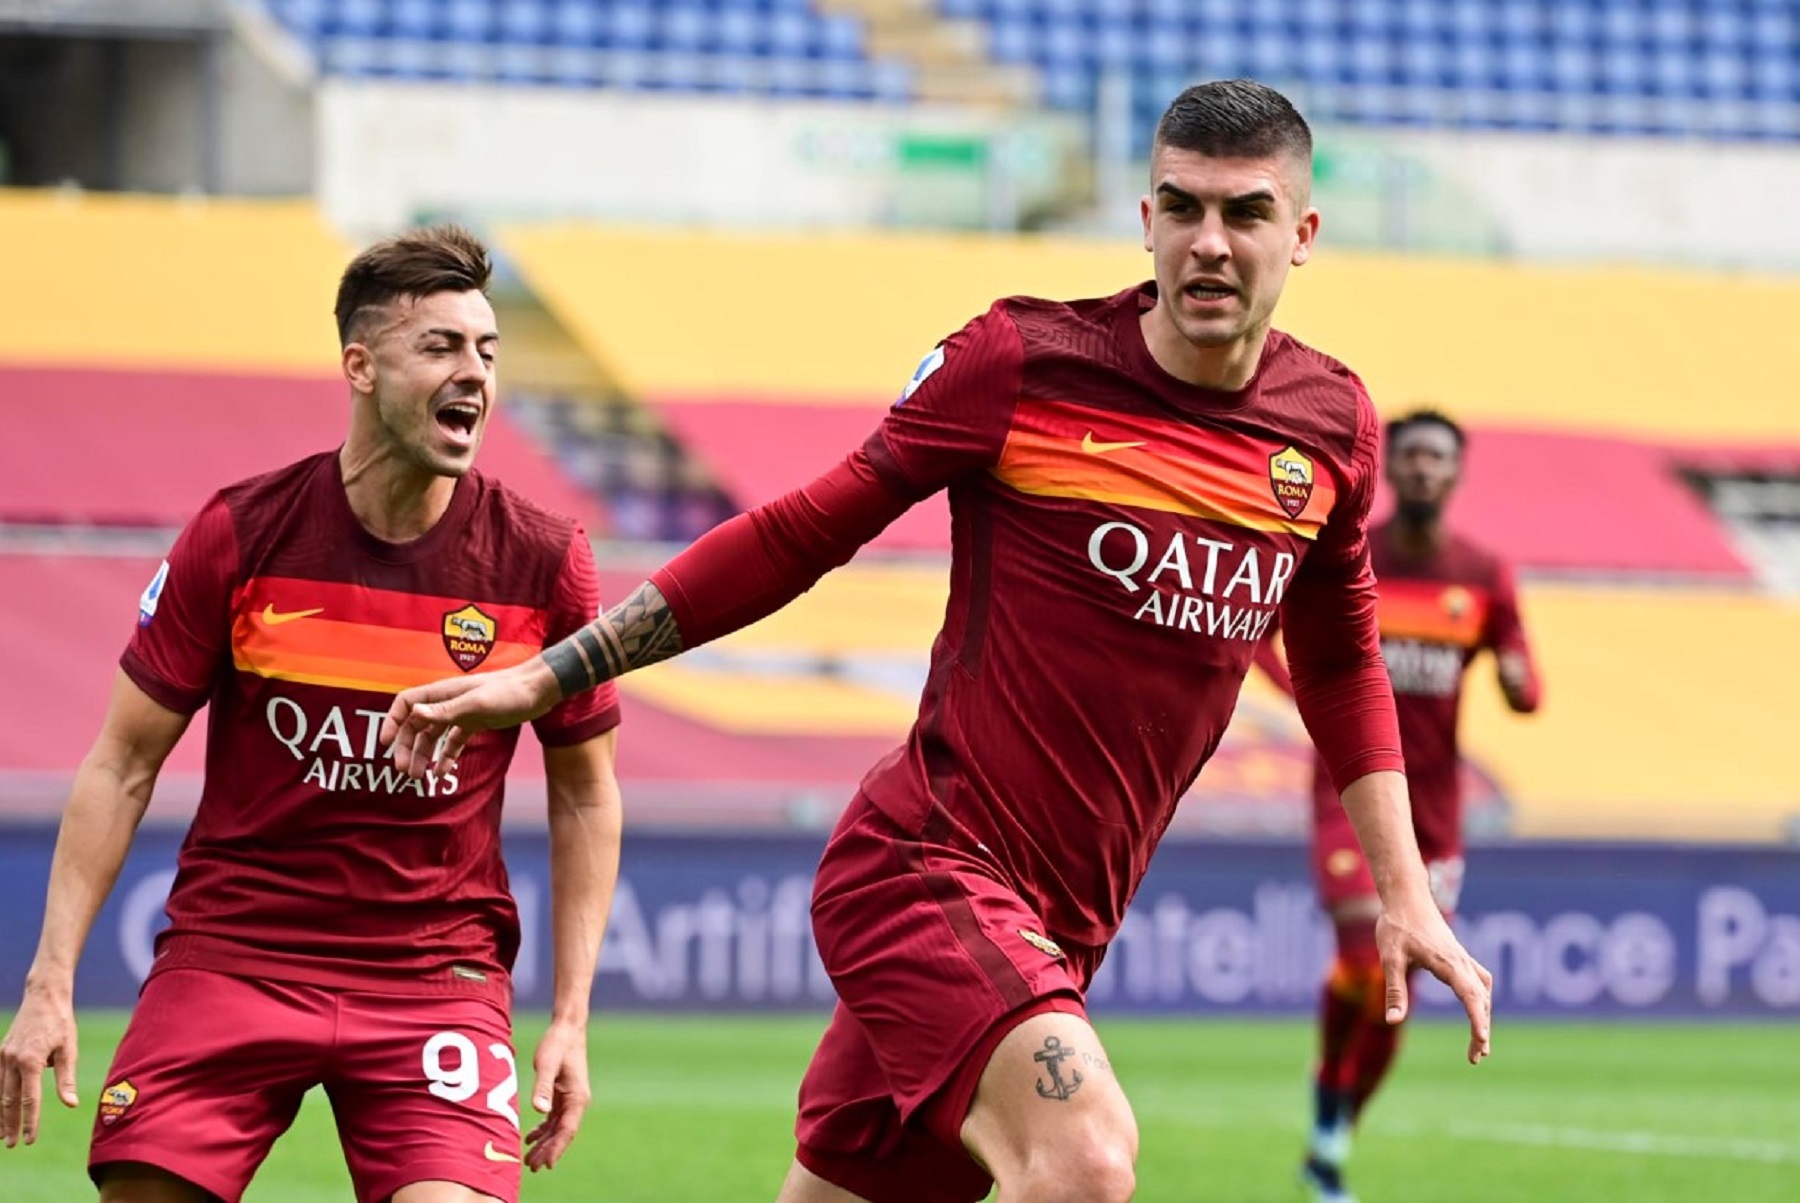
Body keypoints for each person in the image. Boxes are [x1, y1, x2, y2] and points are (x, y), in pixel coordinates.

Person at [380, 81, 1494, 1203]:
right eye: (1182, 207)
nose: (1209, 242)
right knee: (1085, 1160)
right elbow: (802, 531)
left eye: (1246, 213)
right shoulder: (1023, 362)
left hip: (1063, 926)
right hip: (925, 868)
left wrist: (1403, 889)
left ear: (1302, 233)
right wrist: (553, 672)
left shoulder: (1331, 425)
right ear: (1145, 218)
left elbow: (1341, 660)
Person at [0, 226, 624, 1203]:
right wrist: (49, 982)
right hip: (234, 956)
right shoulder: (241, 533)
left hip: (435, 980)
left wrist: (574, 1017)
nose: (474, 372)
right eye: (441, 346)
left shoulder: (543, 560)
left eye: (487, 350)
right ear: (360, 366)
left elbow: (585, 793)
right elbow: (122, 762)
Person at [1258, 409, 1540, 1203]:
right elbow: (1259, 633)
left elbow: (1527, 682)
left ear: (1456, 473)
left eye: (1436, 457)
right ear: (1390, 467)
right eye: (1410, 454)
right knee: (1362, 960)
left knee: (1400, 988)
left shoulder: (1482, 573)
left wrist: (1517, 680)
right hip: (1350, 792)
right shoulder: (1346, 553)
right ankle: (1329, 1090)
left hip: (1435, 814)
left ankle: (1331, 1132)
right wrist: (1310, 697)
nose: (1421, 467)